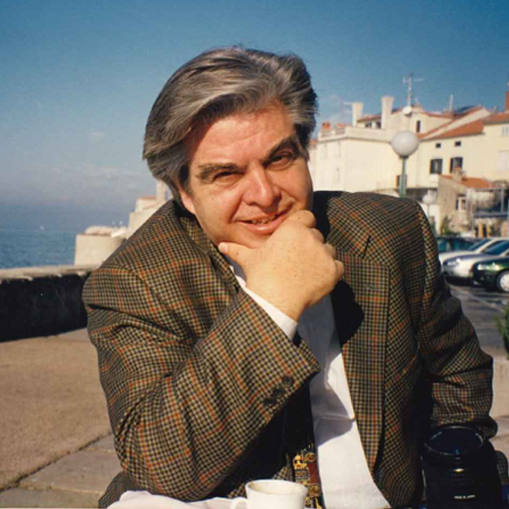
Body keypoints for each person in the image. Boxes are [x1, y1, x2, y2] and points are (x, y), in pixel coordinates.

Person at [83, 47, 505, 509]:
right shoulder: (134, 281)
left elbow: (457, 368)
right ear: (184, 191)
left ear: (305, 151)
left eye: (279, 159)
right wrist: (272, 303)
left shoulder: (389, 233)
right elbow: (162, 463)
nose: (265, 195)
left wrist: (453, 472)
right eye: (226, 174)